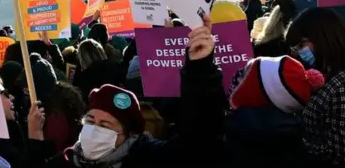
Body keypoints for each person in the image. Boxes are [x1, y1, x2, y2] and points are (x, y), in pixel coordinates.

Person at [29, 14, 225, 168]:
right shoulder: (66, 161)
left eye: (105, 124)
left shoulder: (148, 158)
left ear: (128, 134)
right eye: (90, 120)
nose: (94, 129)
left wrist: (200, 68)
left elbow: (199, 143)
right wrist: (35, 139)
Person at [285, 7, 345, 165]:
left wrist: (291, 144)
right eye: (295, 48)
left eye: (301, 44)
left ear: (324, 37)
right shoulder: (333, 73)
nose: (296, 53)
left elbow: (344, 157)